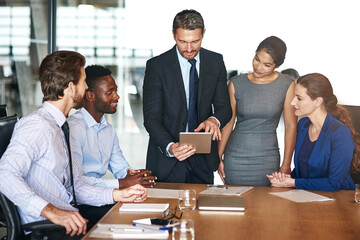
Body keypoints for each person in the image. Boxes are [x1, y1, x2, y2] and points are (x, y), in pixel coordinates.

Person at [0, 51, 147, 239]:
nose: (86, 88)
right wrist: (52, 211)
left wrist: (118, 195)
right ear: (71, 87)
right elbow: (4, 174)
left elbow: (76, 186)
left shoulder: (60, 126)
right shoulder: (38, 125)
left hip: (69, 222)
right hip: (48, 229)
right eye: (83, 81)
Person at [143, 9, 232, 184]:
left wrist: (214, 120)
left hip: (203, 160)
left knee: (201, 210)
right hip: (168, 160)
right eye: (182, 41)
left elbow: (225, 108)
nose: (189, 49)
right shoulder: (157, 66)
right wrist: (171, 147)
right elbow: (151, 118)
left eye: (195, 41)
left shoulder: (215, 61)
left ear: (203, 34)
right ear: (173, 35)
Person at [218, 36, 297, 186]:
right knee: (236, 203)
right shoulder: (236, 83)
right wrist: (218, 157)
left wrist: (286, 164)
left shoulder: (287, 85)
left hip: (267, 157)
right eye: (256, 59)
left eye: (266, 64)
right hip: (235, 157)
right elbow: (228, 123)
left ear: (277, 65)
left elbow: (291, 127)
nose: (258, 67)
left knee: (265, 206)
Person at [68, 65, 156, 189]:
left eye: (116, 91)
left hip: (100, 196)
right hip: (80, 202)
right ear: (90, 96)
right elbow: (76, 181)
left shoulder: (108, 130)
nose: (116, 97)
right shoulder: (74, 128)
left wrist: (139, 176)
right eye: (109, 93)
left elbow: (120, 168)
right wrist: (121, 183)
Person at [267, 73, 359, 191]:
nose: (292, 102)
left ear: (317, 101)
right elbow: (304, 171)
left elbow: (334, 183)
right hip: (307, 196)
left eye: (299, 98)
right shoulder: (303, 125)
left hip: (339, 200)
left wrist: (292, 182)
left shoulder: (340, 133)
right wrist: (284, 179)